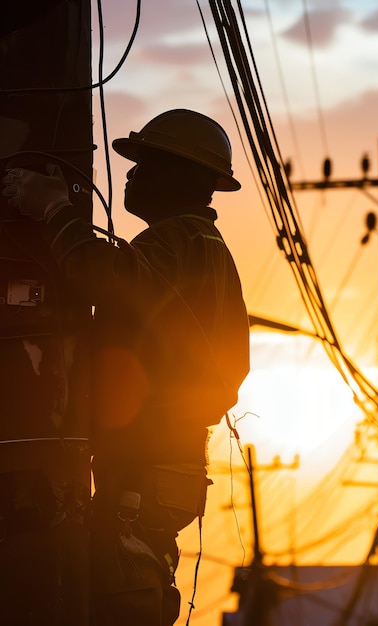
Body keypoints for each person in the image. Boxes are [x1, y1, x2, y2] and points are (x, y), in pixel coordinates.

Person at [2, 109, 250, 625]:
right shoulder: (200, 249)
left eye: (146, 164)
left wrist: (54, 209)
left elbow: (101, 276)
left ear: (185, 178)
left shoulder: (176, 242)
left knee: (120, 593)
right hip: (165, 468)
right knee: (135, 578)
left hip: (148, 465)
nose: (132, 176)